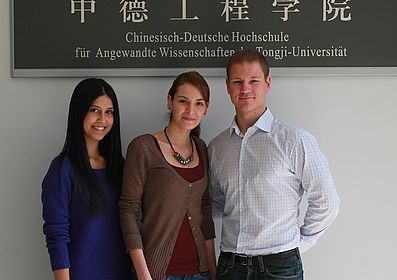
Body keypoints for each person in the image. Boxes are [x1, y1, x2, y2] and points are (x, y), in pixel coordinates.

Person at [208, 50, 340, 280]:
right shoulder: (217, 147)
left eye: (254, 81)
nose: (245, 89)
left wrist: (298, 246)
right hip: (230, 266)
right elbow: (217, 203)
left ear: (268, 83)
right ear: (228, 86)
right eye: (238, 82)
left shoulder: (294, 140)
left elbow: (327, 200)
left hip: (279, 266)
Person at [119, 71, 217, 280]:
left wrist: (213, 271)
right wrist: (143, 274)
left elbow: (205, 211)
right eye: (184, 101)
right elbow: (128, 212)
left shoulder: (201, 148)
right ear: (170, 102)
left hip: (200, 273)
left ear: (206, 108)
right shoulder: (143, 147)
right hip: (158, 274)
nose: (191, 110)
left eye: (199, 103)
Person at [41, 78, 132, 280]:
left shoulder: (121, 166)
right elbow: (57, 235)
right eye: (94, 110)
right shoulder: (62, 169)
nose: (102, 119)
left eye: (109, 112)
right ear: (79, 112)